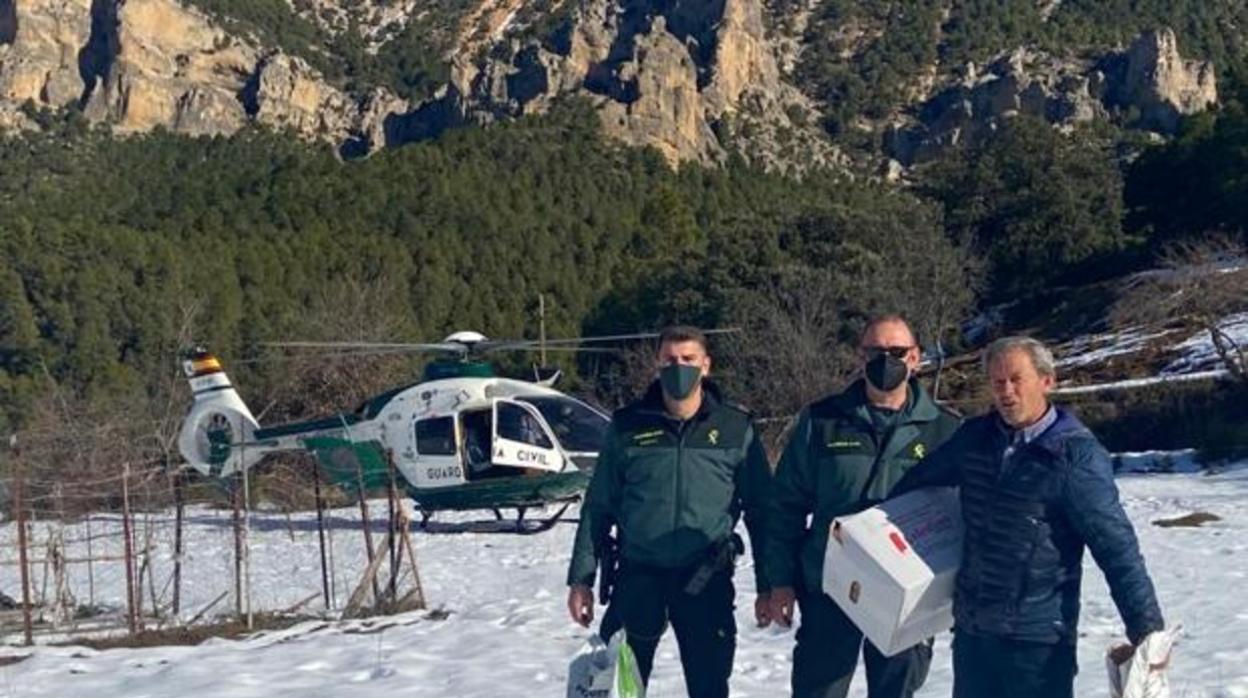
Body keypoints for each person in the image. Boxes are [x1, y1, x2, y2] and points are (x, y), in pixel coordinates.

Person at [894, 336, 1166, 698]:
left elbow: (1118, 551)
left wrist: (1148, 635)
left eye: (1016, 379)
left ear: (1046, 381)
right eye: (997, 381)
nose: (1006, 391)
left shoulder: (1074, 459)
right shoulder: (974, 439)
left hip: (1037, 646)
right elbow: (915, 485)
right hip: (974, 639)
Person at [566, 325, 771, 698]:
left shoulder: (735, 427)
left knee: (710, 685)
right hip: (638, 577)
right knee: (617, 686)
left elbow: (762, 512)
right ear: (657, 365)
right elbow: (598, 506)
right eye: (669, 360)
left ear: (706, 365)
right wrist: (581, 577)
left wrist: (770, 585)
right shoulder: (628, 426)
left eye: (688, 359)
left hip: (705, 579)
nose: (679, 367)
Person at [765, 314, 962, 698]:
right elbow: (784, 506)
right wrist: (780, 581)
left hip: (908, 592)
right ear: (860, 356)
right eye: (875, 351)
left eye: (896, 351)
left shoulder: (945, 429)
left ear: (915, 358)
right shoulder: (823, 421)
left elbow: (962, 514)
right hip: (832, 587)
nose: (885, 359)